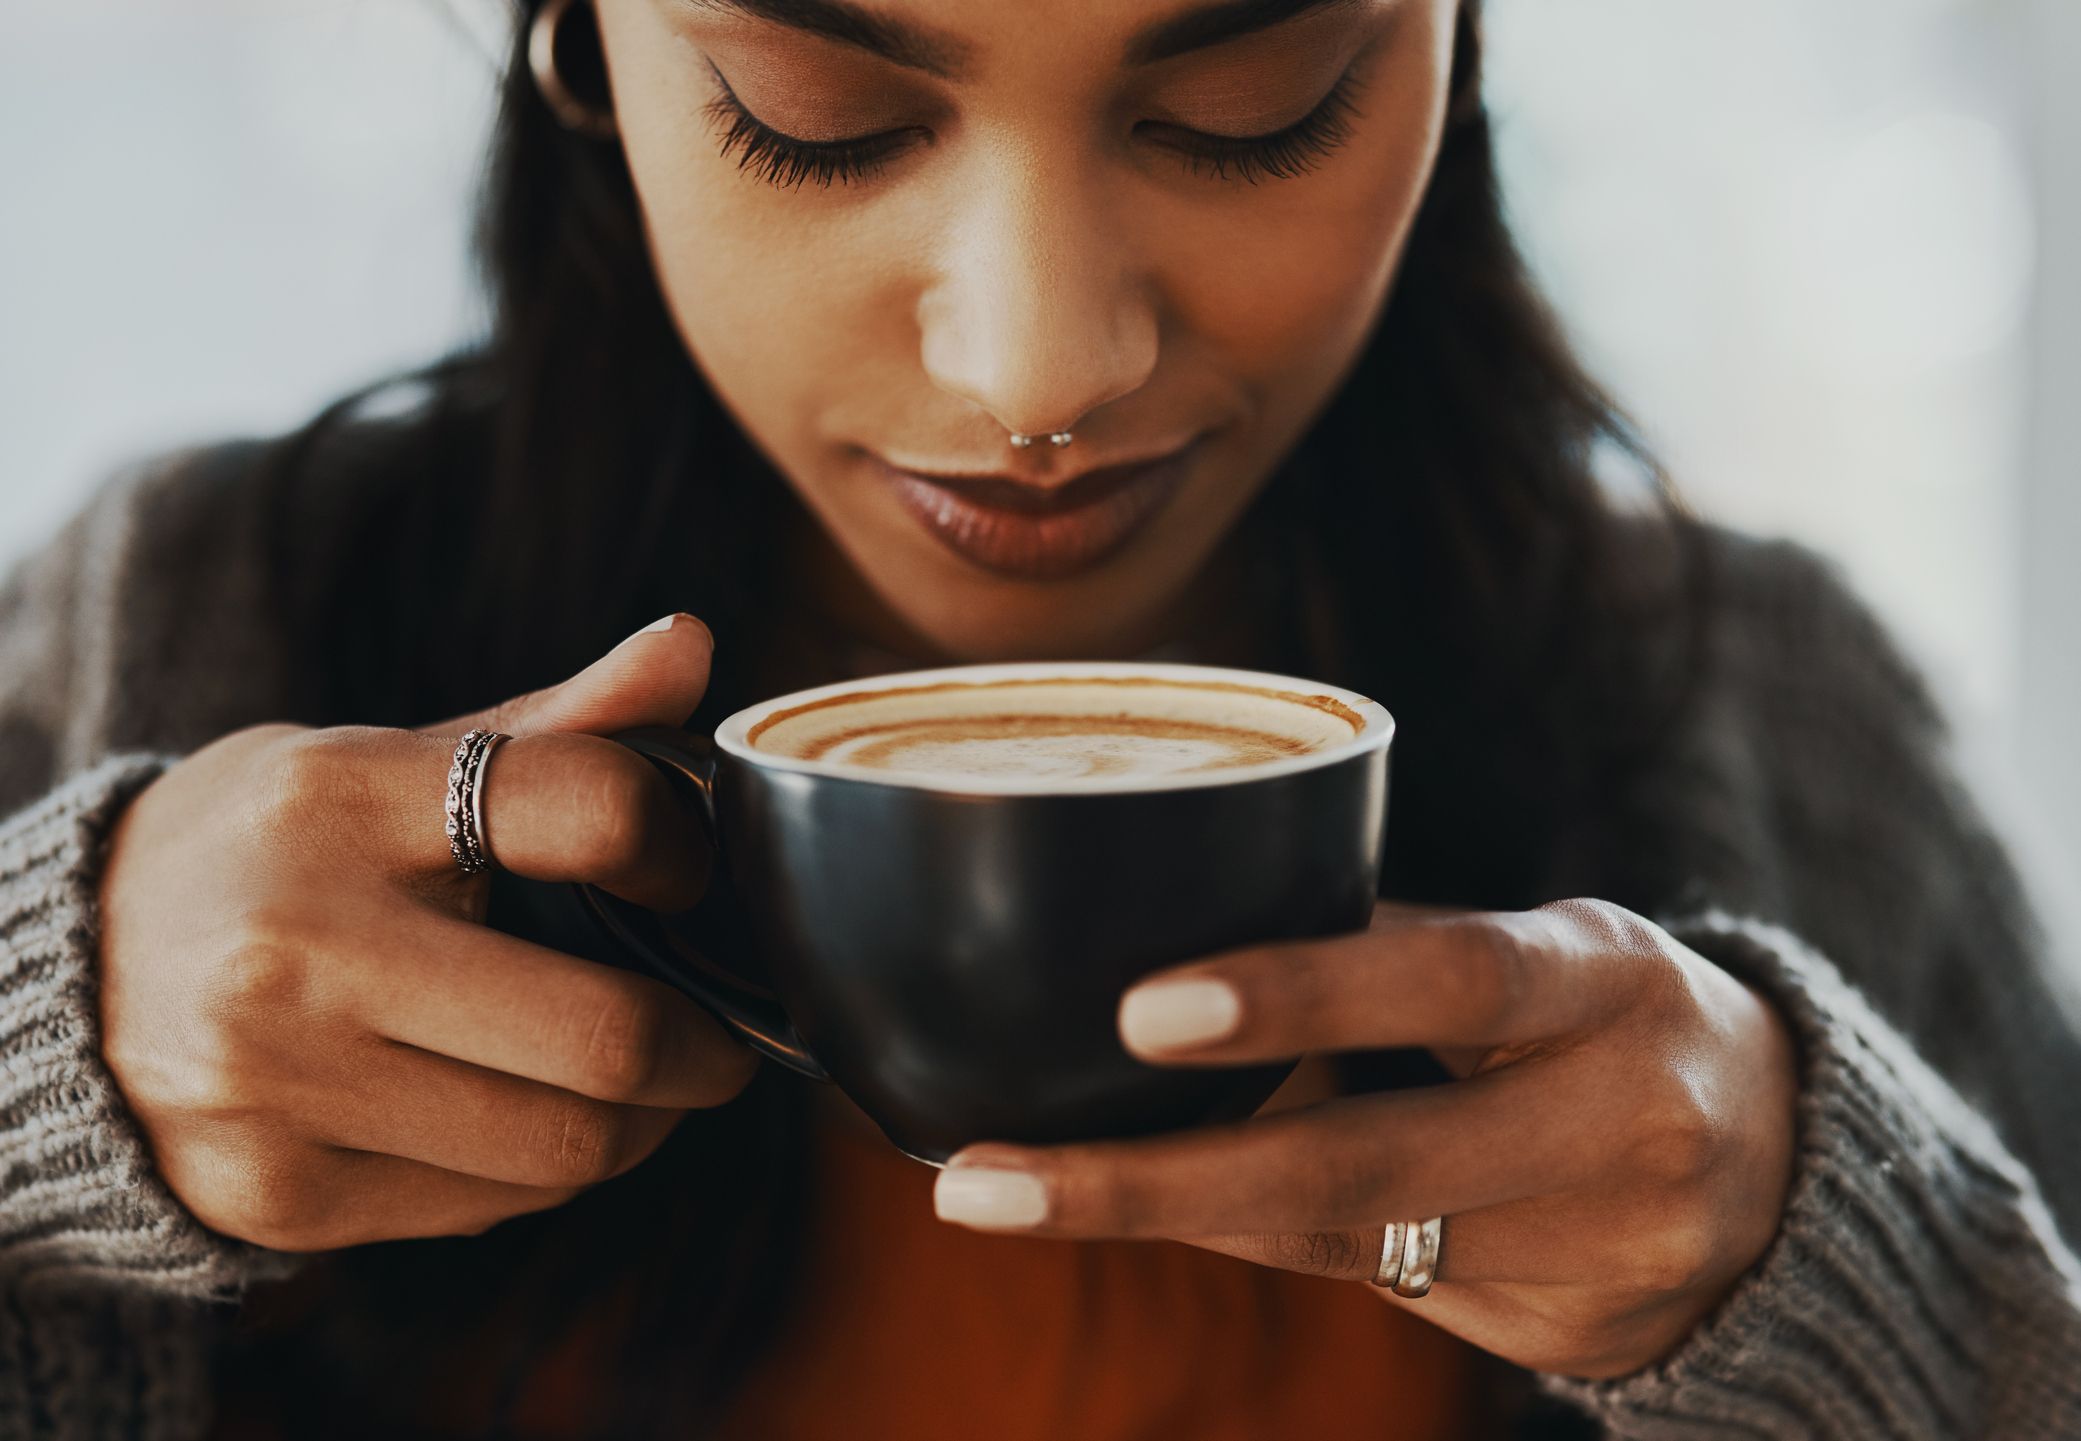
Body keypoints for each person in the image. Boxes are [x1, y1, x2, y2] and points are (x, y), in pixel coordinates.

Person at [2, 0, 2076, 1436]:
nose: (1038, 364)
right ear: (584, 42)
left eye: (1258, 96)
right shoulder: (177, 637)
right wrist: (35, 1050)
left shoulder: (1780, 734)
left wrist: (1834, 1268)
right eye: (816, 108)